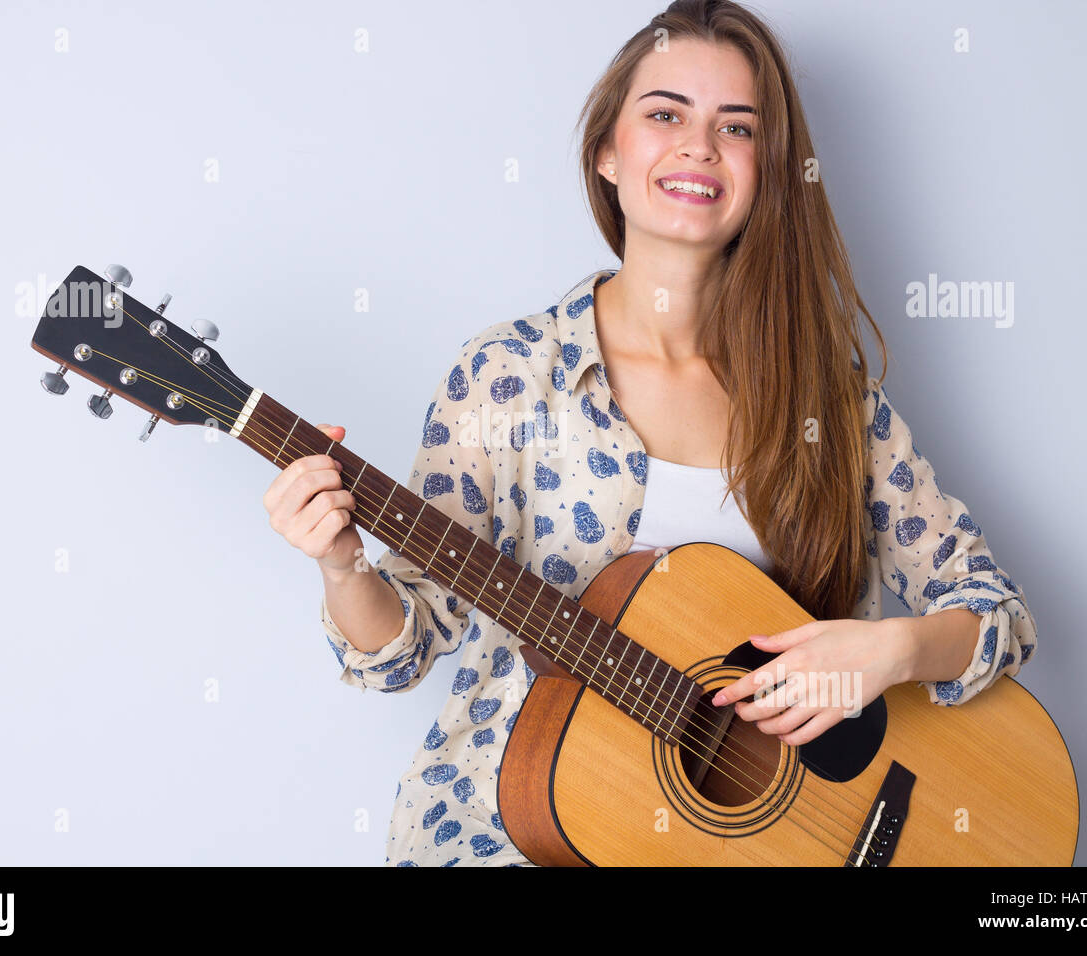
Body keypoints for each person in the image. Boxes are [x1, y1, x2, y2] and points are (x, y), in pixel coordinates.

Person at [261, 0, 1036, 866]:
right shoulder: (507, 376)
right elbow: (398, 653)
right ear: (607, 152)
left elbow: (995, 615)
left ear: (768, 169)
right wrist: (341, 562)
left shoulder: (828, 397)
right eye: (665, 113)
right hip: (514, 834)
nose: (698, 146)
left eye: (735, 127)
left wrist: (890, 650)